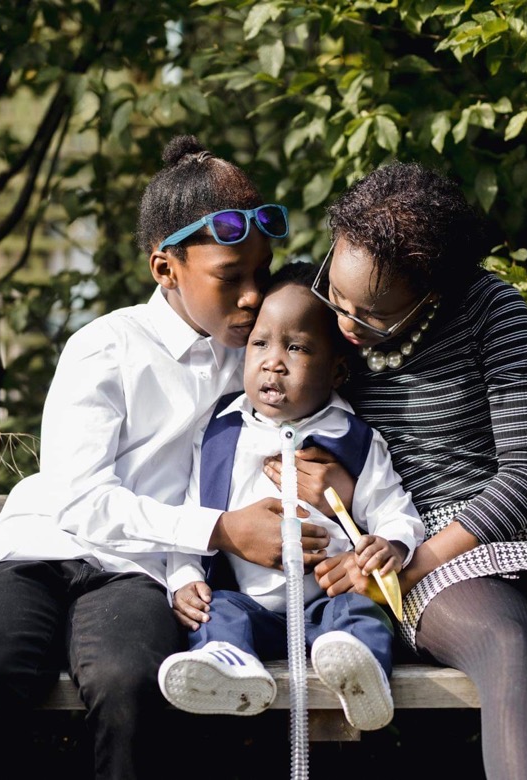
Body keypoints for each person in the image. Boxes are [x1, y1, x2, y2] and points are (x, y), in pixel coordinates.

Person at [267, 162, 527, 779]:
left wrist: (418, 563)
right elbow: (268, 401)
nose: (343, 323)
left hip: (521, 529)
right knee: (508, 643)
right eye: (336, 295)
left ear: (431, 294)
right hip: (407, 532)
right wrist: (343, 491)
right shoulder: (323, 315)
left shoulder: (491, 308)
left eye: (369, 316)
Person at [0, 135, 331, 780]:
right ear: (165, 268)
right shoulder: (106, 347)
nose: (253, 296)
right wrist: (223, 530)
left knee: (130, 684)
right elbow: (79, 499)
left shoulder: (257, 356)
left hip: (143, 571)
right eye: (230, 278)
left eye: (261, 274)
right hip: (41, 549)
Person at [157, 264, 424, 731]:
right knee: (216, 610)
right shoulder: (220, 432)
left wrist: (392, 545)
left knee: (358, 611)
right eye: (260, 343)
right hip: (249, 605)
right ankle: (228, 665)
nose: (272, 361)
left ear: (338, 370)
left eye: (296, 347)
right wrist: (181, 576)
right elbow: (192, 514)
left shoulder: (353, 438)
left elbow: (396, 512)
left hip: (326, 604)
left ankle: (359, 670)